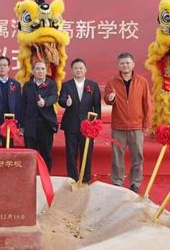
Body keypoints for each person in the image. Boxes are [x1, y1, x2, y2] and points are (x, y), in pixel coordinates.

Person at [103, 52, 152, 193]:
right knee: (117, 156)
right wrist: (110, 98)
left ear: (133, 64)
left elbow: (147, 104)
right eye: (122, 63)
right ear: (118, 65)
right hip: (118, 126)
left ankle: (135, 182)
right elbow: (107, 99)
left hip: (137, 126)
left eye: (128, 63)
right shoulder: (112, 82)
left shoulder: (142, 81)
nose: (125, 65)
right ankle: (117, 181)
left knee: (137, 156)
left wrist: (147, 124)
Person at [59, 58, 101, 182]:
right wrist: (66, 103)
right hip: (71, 124)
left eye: (81, 68)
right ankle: (72, 178)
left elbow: (97, 107)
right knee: (71, 153)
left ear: (85, 70)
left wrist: (96, 125)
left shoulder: (93, 85)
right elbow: (61, 100)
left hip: (88, 126)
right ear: (72, 70)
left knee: (87, 153)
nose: (78, 70)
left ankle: (85, 178)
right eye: (76, 68)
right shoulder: (66, 85)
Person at [20, 60, 58, 171]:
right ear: (33, 71)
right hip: (30, 125)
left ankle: (46, 178)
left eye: (42, 69)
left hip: (45, 125)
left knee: (46, 154)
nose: (40, 71)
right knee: (29, 155)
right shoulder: (27, 85)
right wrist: (22, 125)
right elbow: (23, 106)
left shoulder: (52, 84)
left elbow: (54, 97)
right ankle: (29, 178)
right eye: (37, 69)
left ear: (46, 71)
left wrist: (45, 102)